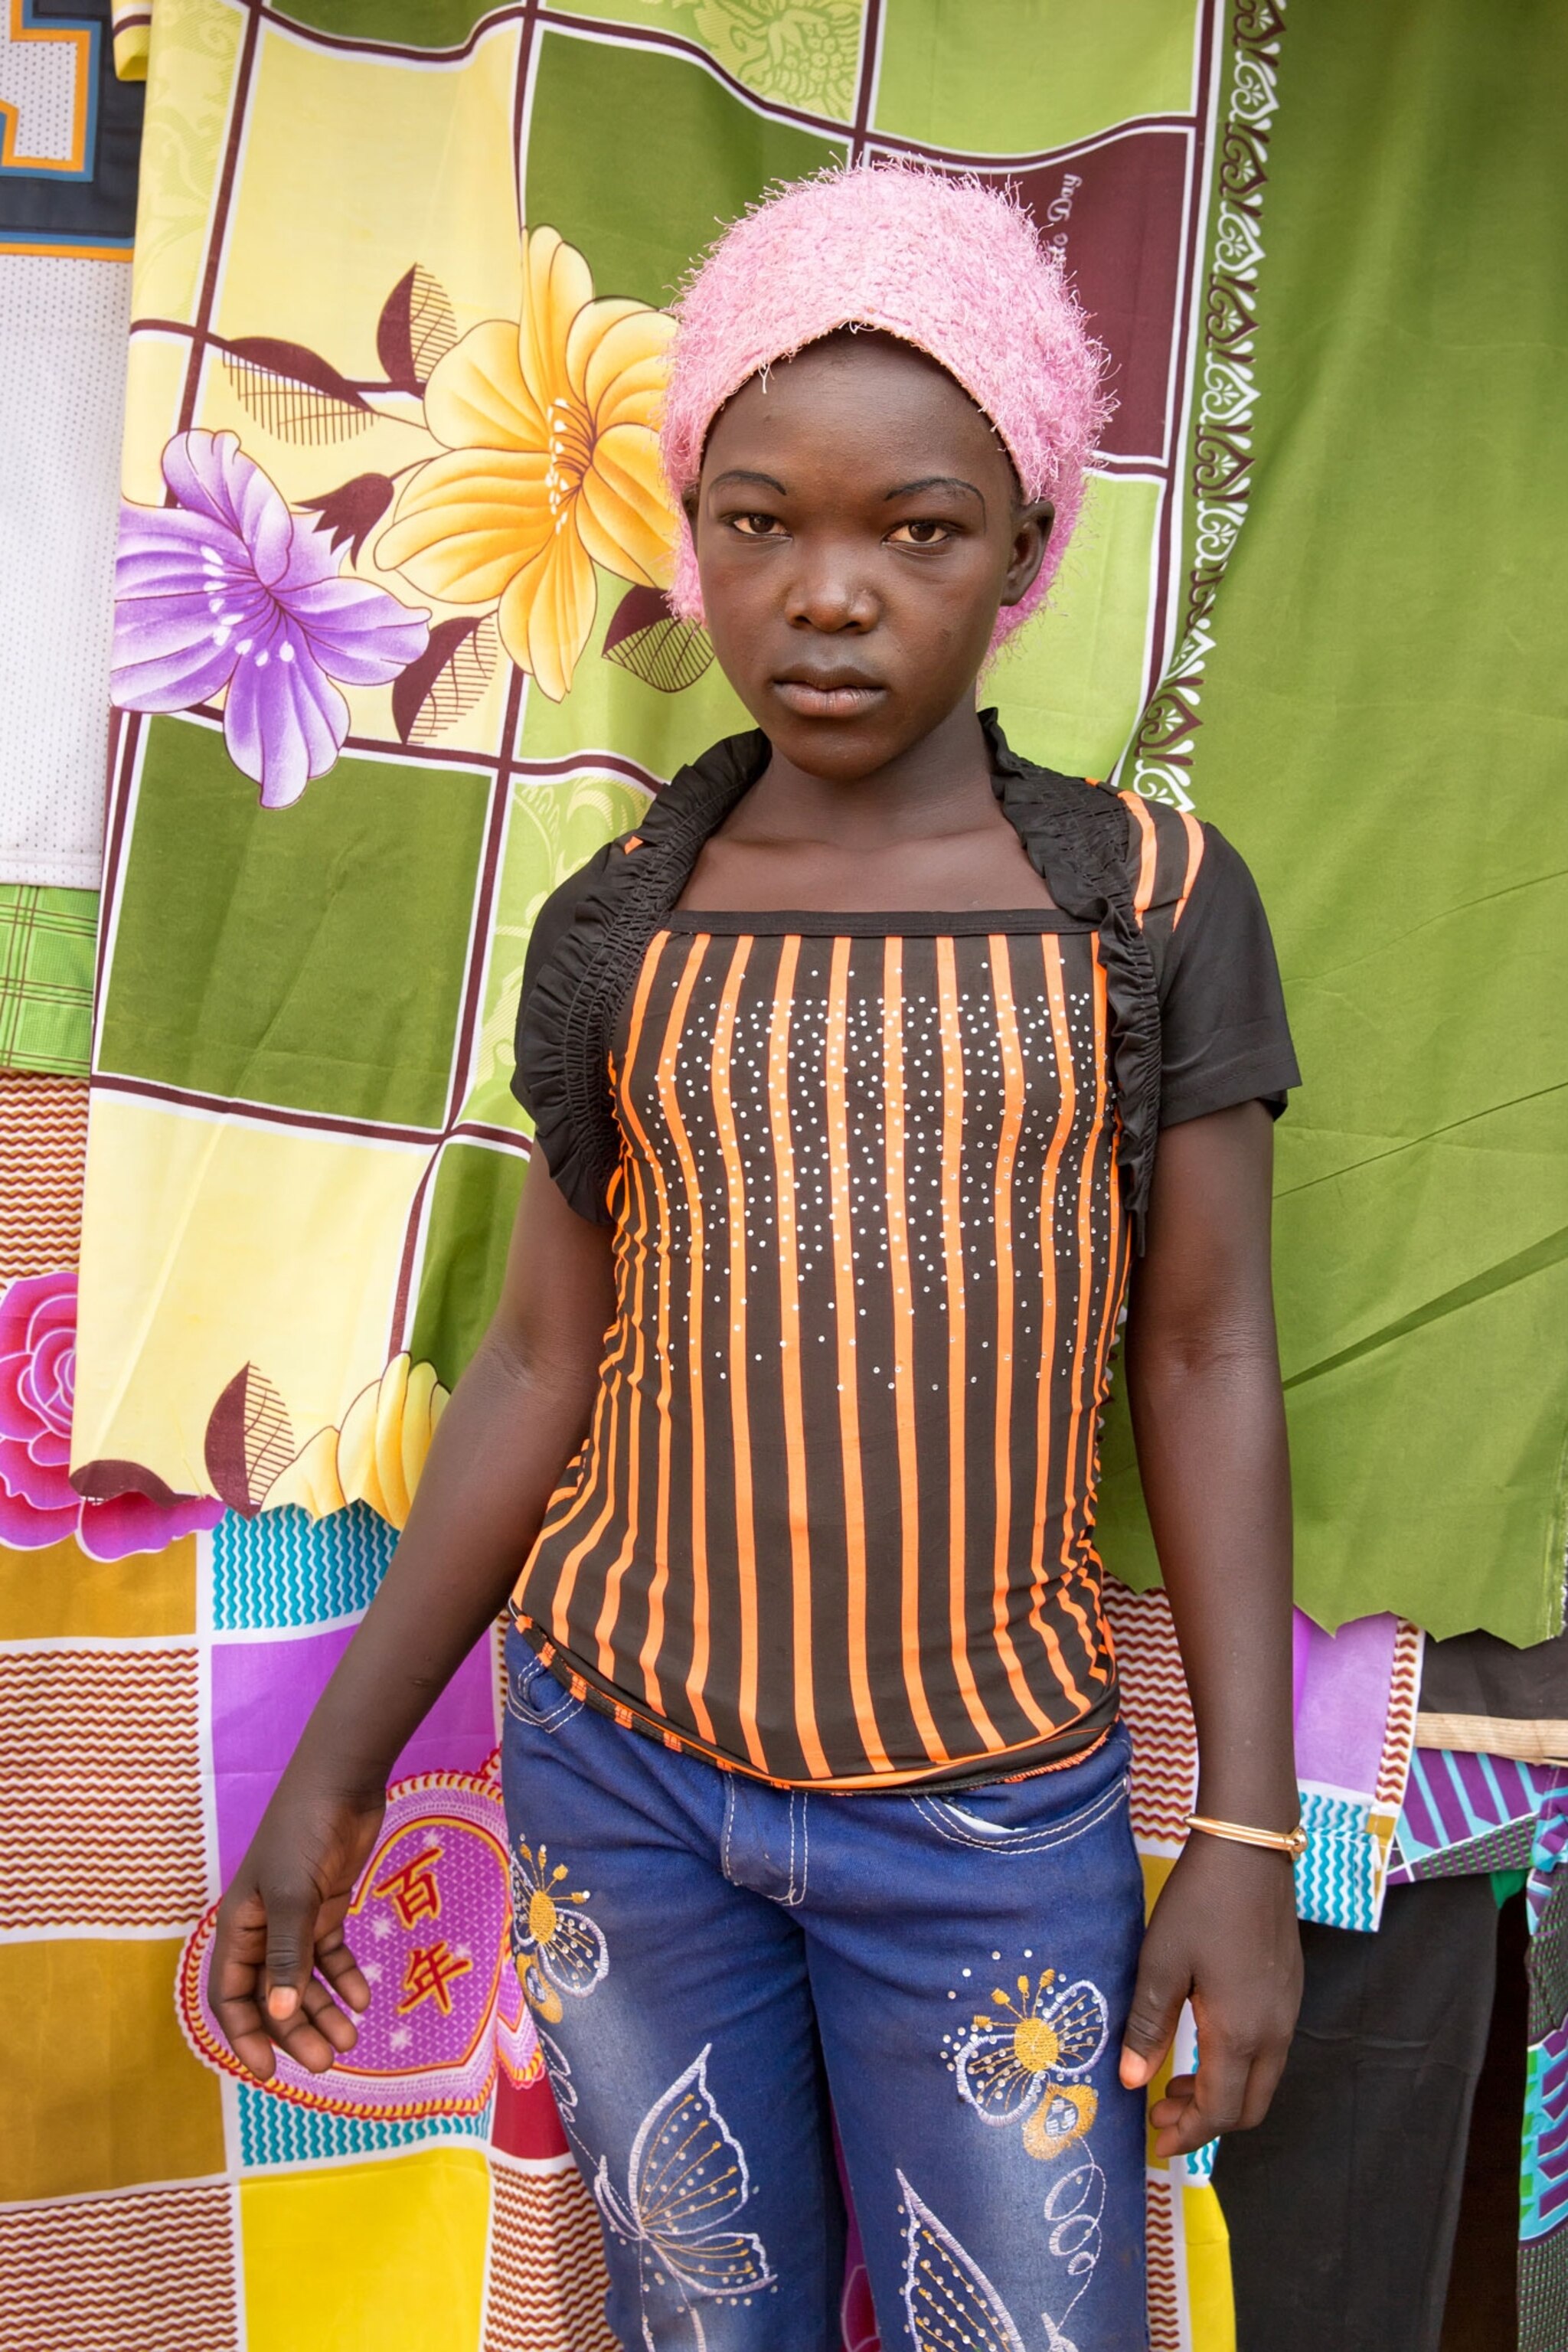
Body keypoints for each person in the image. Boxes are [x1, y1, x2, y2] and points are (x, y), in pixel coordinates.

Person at [209, 163, 1305, 2351]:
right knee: (703, 2316)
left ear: (1022, 558)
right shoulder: (626, 922)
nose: (828, 595)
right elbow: (539, 1365)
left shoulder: (1151, 908)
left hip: (988, 1823)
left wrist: (1248, 1846)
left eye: (917, 530)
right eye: (757, 518)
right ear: (686, 529)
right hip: (624, 1790)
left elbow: (1200, 1364)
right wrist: (338, 1767)